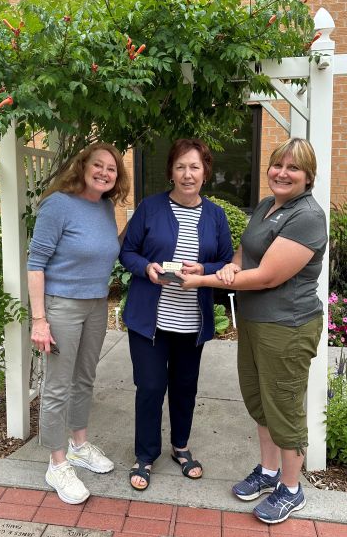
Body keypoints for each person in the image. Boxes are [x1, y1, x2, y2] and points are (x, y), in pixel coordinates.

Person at [179, 138, 327, 523]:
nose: (282, 173)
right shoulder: (267, 205)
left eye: (293, 168)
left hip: (287, 327)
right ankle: (268, 471)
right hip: (255, 322)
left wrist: (205, 282)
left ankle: (292, 490)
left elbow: (265, 277)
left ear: (308, 176)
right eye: (278, 165)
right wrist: (226, 268)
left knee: (284, 406)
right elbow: (247, 255)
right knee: (259, 401)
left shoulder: (307, 216)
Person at [119, 138, 233, 490]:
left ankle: (180, 447)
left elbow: (227, 262)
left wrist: (204, 269)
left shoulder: (215, 215)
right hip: (149, 320)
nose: (187, 174)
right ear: (171, 170)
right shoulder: (150, 208)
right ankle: (146, 455)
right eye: (181, 167)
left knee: (185, 387)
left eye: (194, 167)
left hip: (191, 321)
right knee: (151, 387)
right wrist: (147, 268)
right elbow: (128, 252)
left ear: (205, 172)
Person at [27, 142, 130, 504]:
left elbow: (105, 252)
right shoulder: (58, 205)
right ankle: (56, 464)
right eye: (98, 165)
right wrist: (39, 319)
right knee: (57, 385)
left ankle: (78, 445)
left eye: (112, 169)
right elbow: (35, 263)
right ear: (82, 166)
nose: (104, 172)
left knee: (85, 378)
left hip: (96, 304)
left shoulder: (104, 207)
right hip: (62, 307)